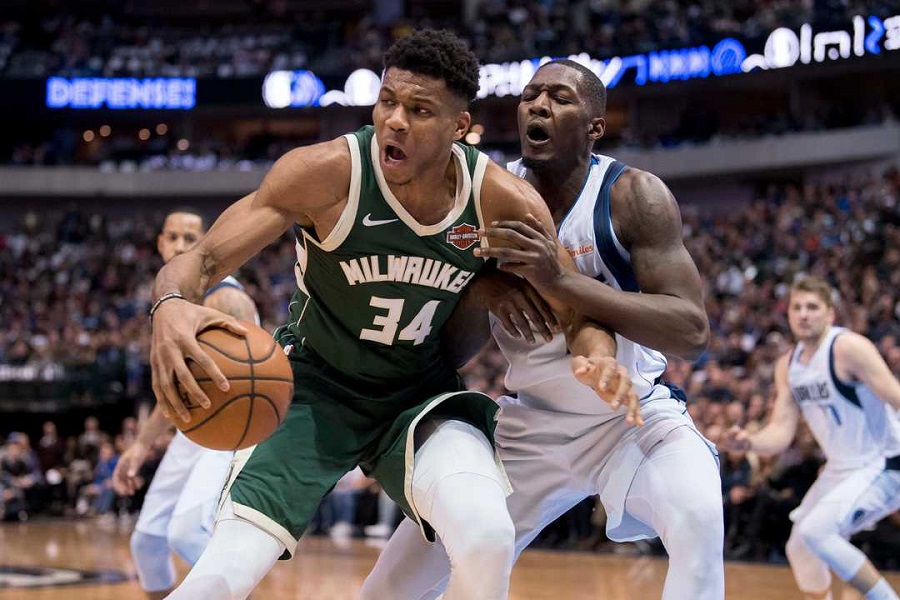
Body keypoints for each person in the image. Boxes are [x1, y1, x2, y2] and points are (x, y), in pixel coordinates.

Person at [147, 31, 630, 600]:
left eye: (419, 110)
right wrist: (169, 307)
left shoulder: (501, 201)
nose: (395, 121)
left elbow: (572, 307)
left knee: (489, 536)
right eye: (387, 101)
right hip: (312, 389)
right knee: (218, 580)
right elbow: (202, 261)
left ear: (459, 126)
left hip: (417, 397)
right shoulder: (325, 173)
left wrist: (599, 356)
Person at [361, 59, 725, 600]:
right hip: (529, 426)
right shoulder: (486, 193)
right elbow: (454, 349)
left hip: (630, 418)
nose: (538, 105)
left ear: (594, 127)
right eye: (531, 95)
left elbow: (692, 331)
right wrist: (481, 291)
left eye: (559, 97)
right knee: (389, 589)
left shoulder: (633, 196)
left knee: (700, 517)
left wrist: (562, 281)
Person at [111, 208, 259, 599]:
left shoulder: (226, 297)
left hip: (234, 427)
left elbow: (251, 379)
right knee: (147, 540)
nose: (179, 246)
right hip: (195, 427)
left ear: (205, 244)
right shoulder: (175, 300)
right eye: (172, 237)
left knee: (187, 532)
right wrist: (141, 446)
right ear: (160, 243)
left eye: (189, 238)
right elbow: (177, 386)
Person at [722, 276, 900, 600]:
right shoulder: (788, 366)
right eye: (797, 307)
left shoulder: (848, 348)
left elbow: (895, 396)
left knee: (818, 532)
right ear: (788, 314)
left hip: (884, 461)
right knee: (800, 547)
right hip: (841, 468)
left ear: (830, 314)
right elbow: (781, 431)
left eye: (812, 307)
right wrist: (749, 442)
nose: (804, 314)